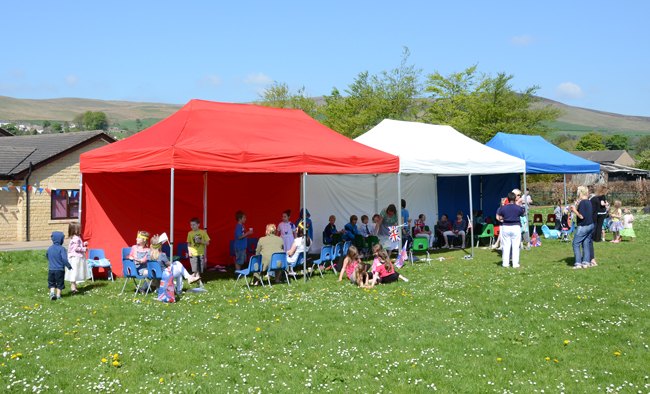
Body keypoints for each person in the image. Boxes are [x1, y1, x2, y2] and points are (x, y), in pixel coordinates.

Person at [496, 192, 525, 268]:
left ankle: (505, 263)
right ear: (515, 198)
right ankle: (515, 264)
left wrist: (504, 218)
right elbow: (523, 213)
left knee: (506, 246)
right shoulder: (518, 208)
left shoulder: (503, 208)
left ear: (508, 199)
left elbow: (499, 217)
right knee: (515, 246)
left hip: (506, 227)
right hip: (516, 227)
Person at [570, 186, 594, 269]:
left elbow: (581, 216)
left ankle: (578, 263)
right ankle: (586, 262)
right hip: (591, 225)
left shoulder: (583, 202)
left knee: (575, 243)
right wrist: (577, 206)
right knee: (586, 243)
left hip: (583, 226)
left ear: (580, 193)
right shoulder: (589, 201)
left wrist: (574, 210)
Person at [47, 231, 72, 300]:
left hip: (51, 269)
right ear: (60, 240)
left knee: (51, 282)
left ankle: (52, 293)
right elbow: (64, 259)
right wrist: (69, 266)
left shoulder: (50, 248)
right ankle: (58, 295)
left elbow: (47, 256)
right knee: (59, 283)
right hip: (59, 270)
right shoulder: (62, 249)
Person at [65, 222, 88, 294]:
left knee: (75, 272)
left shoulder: (76, 238)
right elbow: (76, 248)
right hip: (75, 258)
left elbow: (77, 246)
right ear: (75, 230)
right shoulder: (76, 239)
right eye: (79, 228)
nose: (80, 229)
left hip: (75, 257)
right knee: (74, 272)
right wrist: (84, 249)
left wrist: (83, 244)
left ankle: (74, 286)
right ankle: (73, 287)